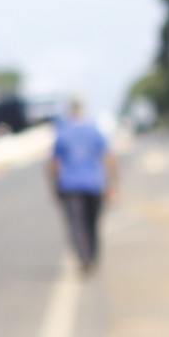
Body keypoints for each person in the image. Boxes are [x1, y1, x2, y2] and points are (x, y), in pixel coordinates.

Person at [51, 93, 117, 273]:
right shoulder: (94, 130)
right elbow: (109, 158)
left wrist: (55, 188)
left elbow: (54, 165)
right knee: (92, 224)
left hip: (71, 186)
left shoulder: (62, 133)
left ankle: (85, 258)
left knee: (77, 226)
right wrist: (111, 185)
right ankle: (92, 256)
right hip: (94, 185)